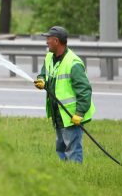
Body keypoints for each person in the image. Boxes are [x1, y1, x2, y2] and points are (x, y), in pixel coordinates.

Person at [33, 26, 95, 163]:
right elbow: (44, 72)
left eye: (48, 39)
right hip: (58, 114)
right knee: (60, 148)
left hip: (71, 116)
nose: (46, 42)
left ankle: (76, 176)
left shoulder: (73, 63)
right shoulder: (50, 57)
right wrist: (41, 80)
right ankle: (65, 173)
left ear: (56, 41)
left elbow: (84, 90)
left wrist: (79, 113)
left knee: (72, 149)